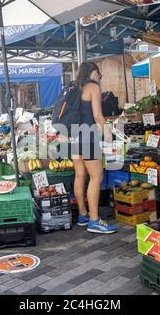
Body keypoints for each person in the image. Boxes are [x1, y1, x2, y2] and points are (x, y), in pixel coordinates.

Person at [71, 62, 117, 234]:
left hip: (75, 134)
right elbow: (97, 115)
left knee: (80, 175)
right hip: (88, 136)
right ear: (93, 72)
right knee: (96, 177)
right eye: (99, 73)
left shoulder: (76, 87)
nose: (99, 77)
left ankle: (83, 215)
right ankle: (94, 221)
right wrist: (107, 133)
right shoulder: (93, 87)